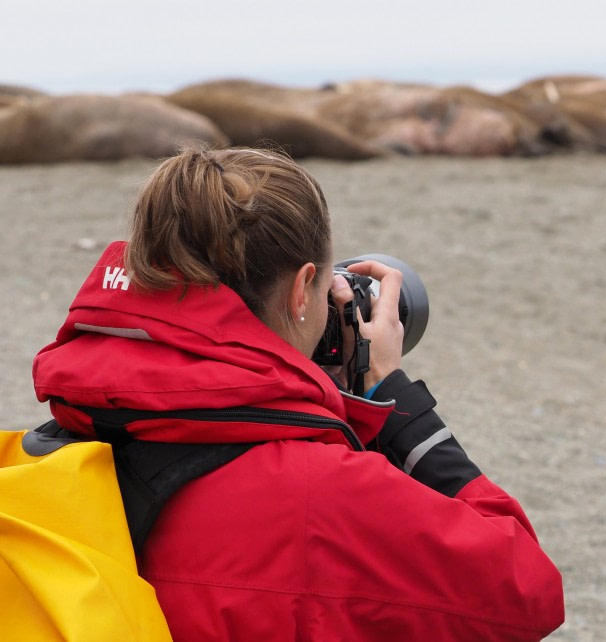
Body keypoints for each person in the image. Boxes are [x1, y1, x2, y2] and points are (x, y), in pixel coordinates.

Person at [31, 146, 565, 640]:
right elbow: (527, 590)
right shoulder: (322, 495)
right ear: (299, 289)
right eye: (325, 281)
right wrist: (391, 396)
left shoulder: (58, 439)